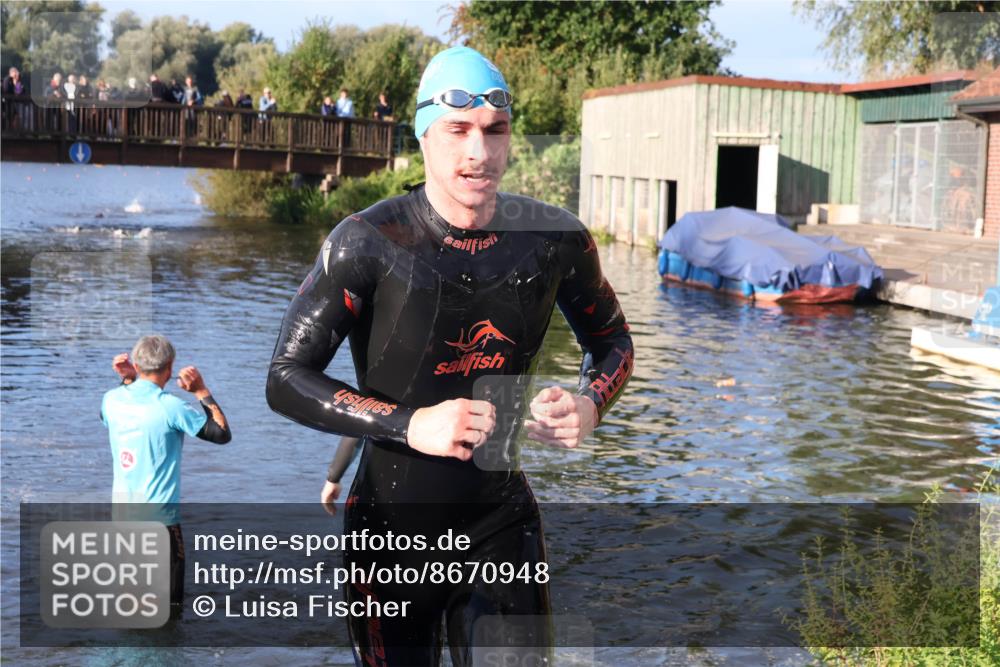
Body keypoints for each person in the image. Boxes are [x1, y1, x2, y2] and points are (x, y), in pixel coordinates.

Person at [267, 46, 632, 665]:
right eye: (458, 131)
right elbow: (285, 378)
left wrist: (590, 404)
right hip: (389, 531)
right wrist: (410, 424)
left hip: (500, 523)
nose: (478, 153)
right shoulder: (368, 242)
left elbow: (613, 345)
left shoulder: (554, 241)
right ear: (424, 136)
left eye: (495, 132)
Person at [103, 335, 232, 604]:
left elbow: (110, 415)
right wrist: (201, 391)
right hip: (160, 522)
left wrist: (128, 380)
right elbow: (221, 433)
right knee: (169, 607)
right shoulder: (170, 407)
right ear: (170, 367)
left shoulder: (111, 400)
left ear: (136, 366)